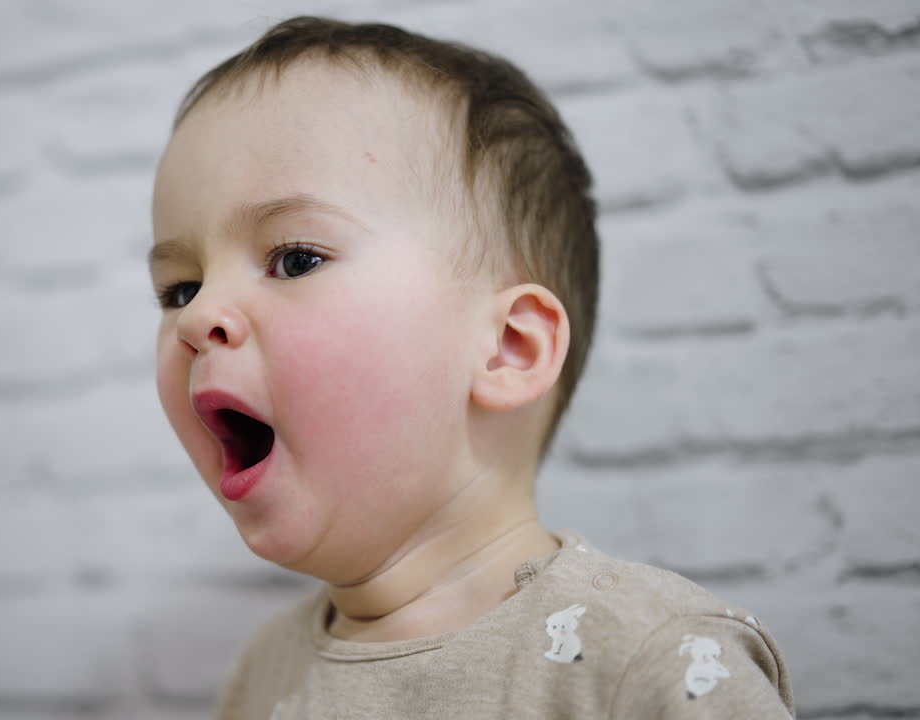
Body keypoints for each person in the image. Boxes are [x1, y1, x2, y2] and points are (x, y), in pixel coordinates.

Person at [146, 15, 795, 719]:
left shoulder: (646, 657)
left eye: (296, 259)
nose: (197, 315)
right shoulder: (265, 673)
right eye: (180, 288)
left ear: (509, 349)